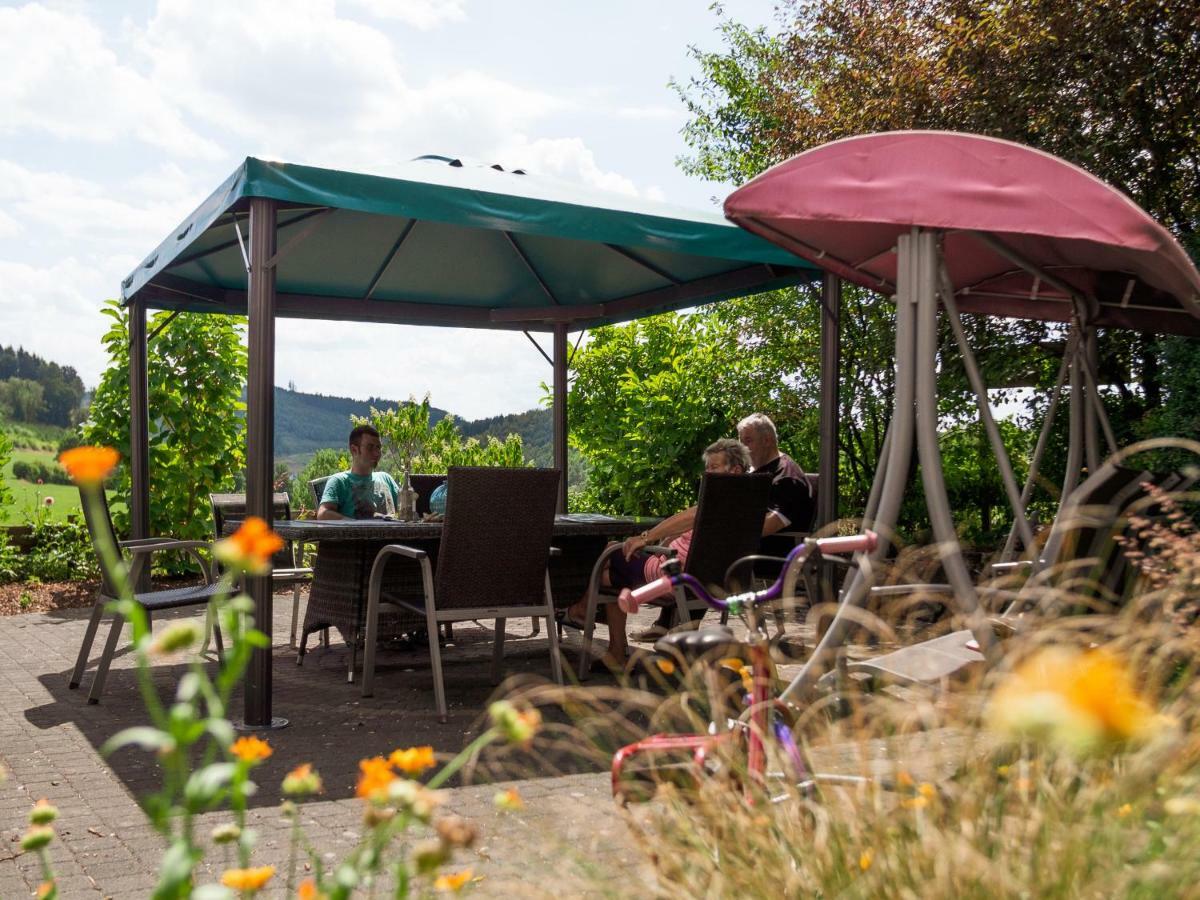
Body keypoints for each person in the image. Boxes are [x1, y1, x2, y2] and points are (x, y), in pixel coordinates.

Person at [559, 438, 752, 671]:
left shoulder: (718, 499)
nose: (708, 473)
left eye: (715, 467)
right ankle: (600, 632)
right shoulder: (747, 502)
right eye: (707, 467)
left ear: (736, 470)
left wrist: (645, 538)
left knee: (611, 552)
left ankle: (582, 614)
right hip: (716, 581)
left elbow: (693, 515)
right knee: (609, 578)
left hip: (673, 576)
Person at [633, 412, 812, 640]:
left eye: (748, 440)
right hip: (744, 544)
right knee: (698, 548)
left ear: (768, 440)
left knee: (704, 552)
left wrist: (719, 528)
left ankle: (681, 626)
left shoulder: (786, 476)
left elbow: (770, 525)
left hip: (775, 550)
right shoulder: (754, 473)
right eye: (740, 440)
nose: (743, 447)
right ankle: (671, 623)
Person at [316, 425, 401, 520]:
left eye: (378, 447)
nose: (377, 453)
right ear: (354, 450)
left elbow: (407, 507)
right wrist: (353, 524)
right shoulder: (339, 481)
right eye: (370, 447)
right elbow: (323, 514)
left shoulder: (386, 478)